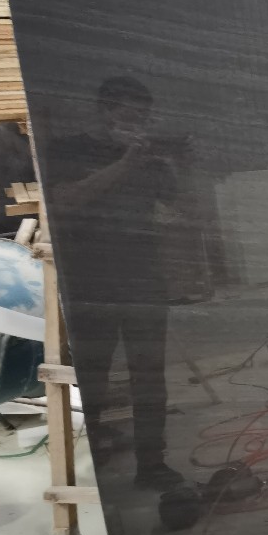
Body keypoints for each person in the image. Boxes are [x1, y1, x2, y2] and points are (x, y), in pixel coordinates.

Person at [49, 76, 194, 491]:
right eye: (129, 116)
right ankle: (87, 459)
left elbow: (183, 206)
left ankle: (151, 464)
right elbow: (65, 200)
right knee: (91, 375)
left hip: (143, 280)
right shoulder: (70, 150)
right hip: (90, 282)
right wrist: (125, 164)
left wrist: (183, 164)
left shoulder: (149, 159)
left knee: (148, 376)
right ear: (105, 112)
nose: (136, 125)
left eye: (143, 118)